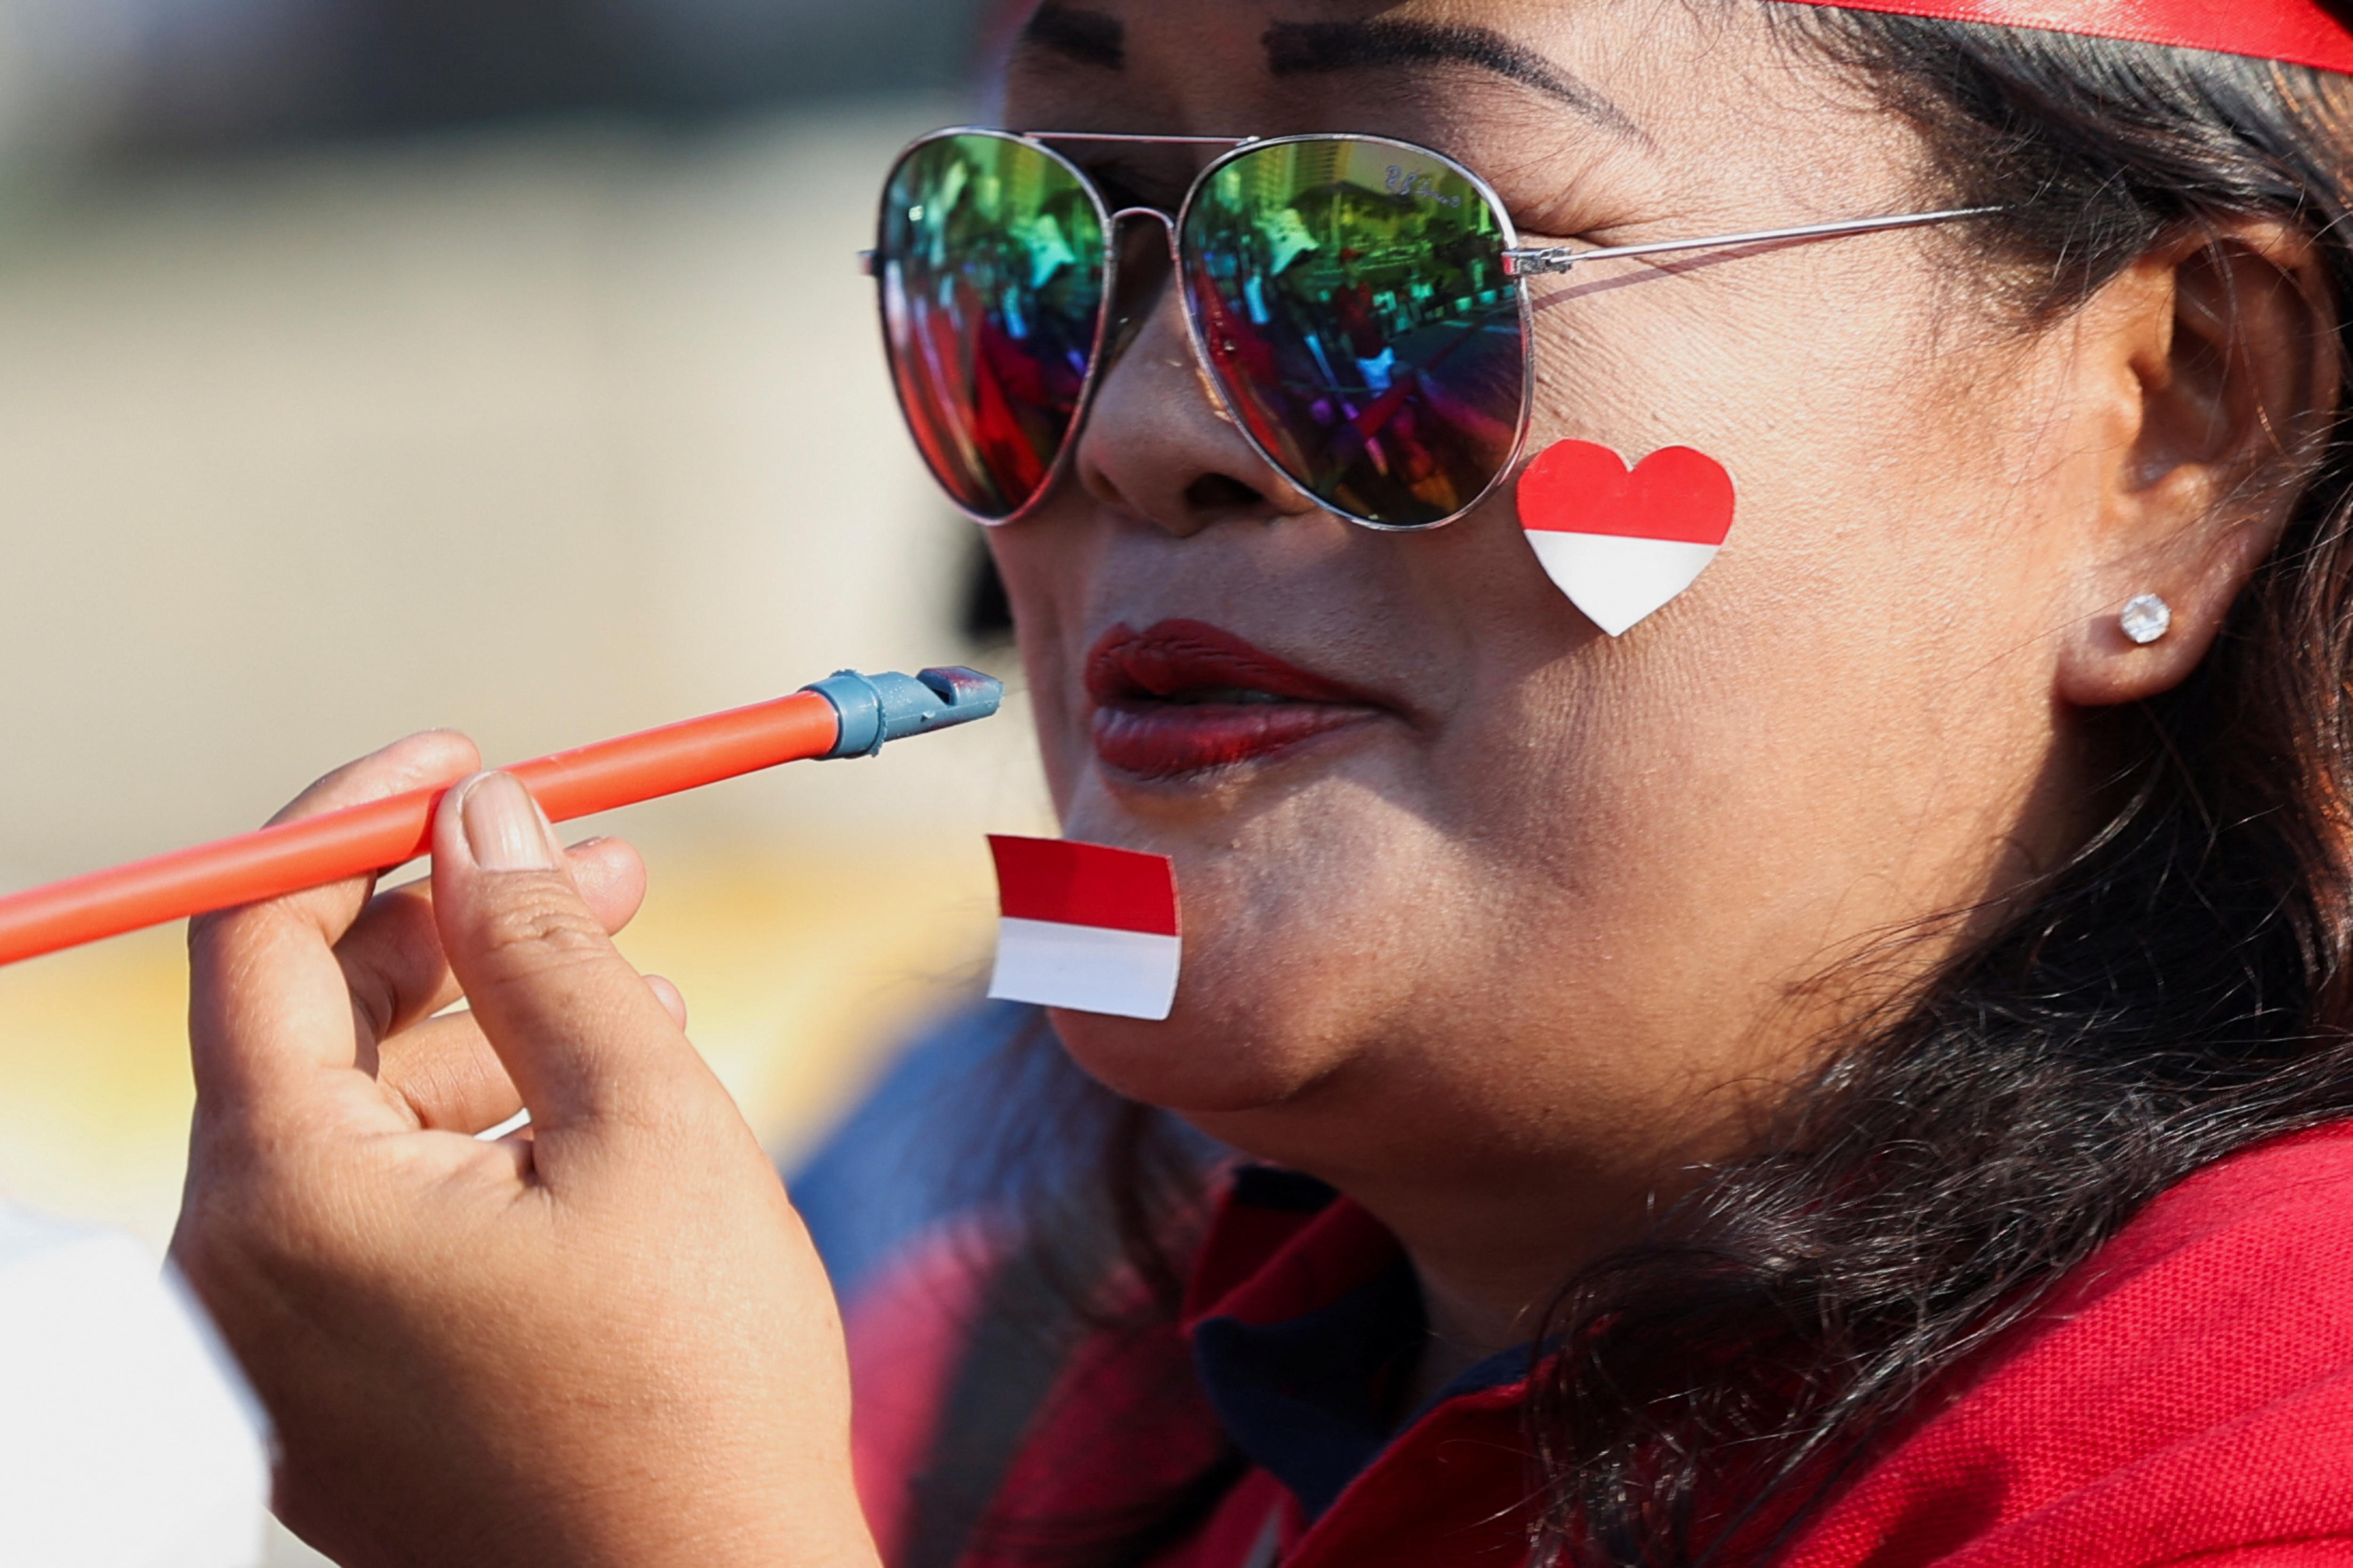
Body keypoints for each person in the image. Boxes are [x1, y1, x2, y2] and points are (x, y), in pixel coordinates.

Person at [165, 1, 2353, 1564]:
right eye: (1025, 257)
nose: (1132, 425)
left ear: (2169, 422)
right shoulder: (1119, 1390)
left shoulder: (2275, 1446)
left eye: (1387, 254)